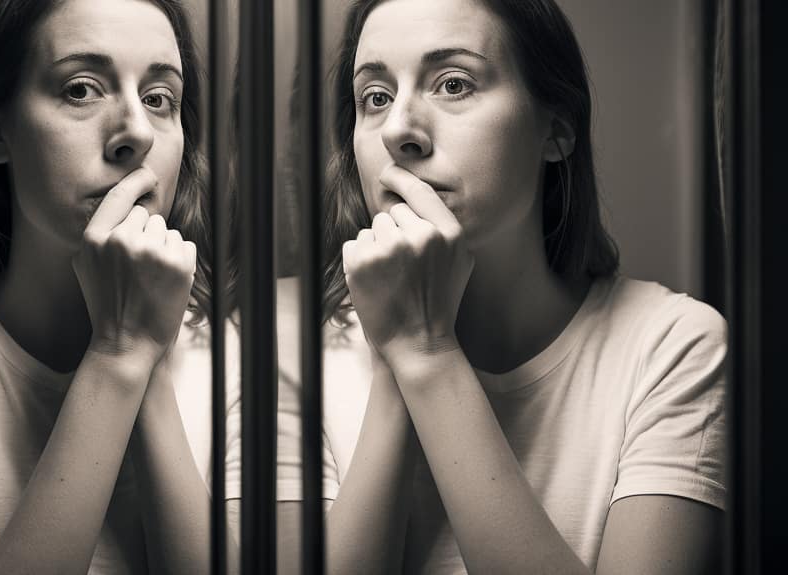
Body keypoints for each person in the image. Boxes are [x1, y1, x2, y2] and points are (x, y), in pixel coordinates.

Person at [308, 0, 727, 573]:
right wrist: (396, 362)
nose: (400, 129)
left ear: (556, 130)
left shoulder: (675, 347)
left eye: (453, 84)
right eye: (375, 97)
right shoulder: (301, 363)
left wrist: (427, 353)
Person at [0, 0, 236, 573]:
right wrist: (119, 353)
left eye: (159, 99)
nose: (135, 133)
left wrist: (146, 362)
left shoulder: (236, 357)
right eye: (81, 89)